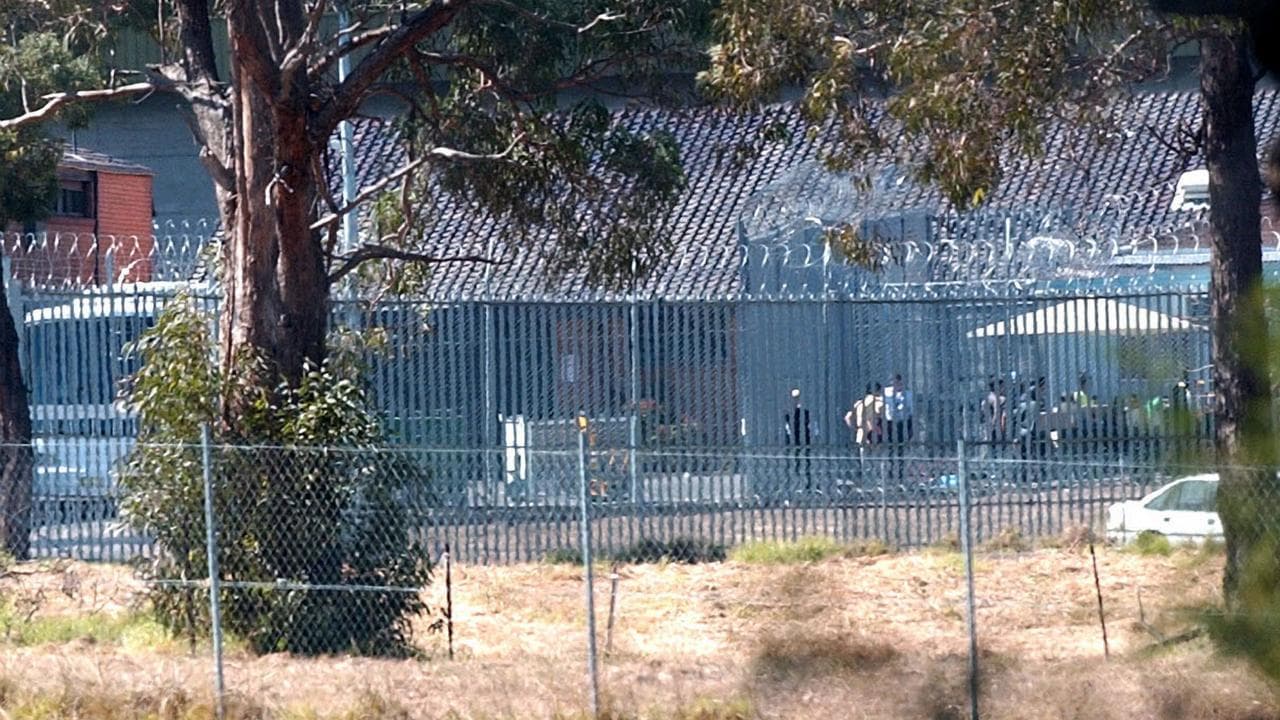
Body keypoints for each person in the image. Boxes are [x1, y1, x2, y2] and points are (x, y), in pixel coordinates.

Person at [783, 388, 815, 492]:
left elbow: (811, 427)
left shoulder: (805, 413)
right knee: (797, 463)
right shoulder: (789, 415)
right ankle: (797, 484)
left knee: (805, 462)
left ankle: (807, 484)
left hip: (804, 441)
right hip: (796, 441)